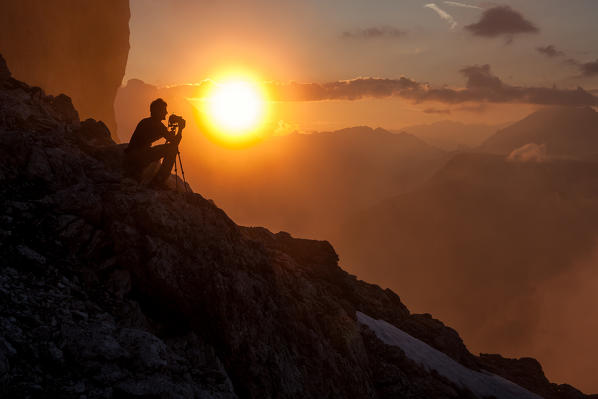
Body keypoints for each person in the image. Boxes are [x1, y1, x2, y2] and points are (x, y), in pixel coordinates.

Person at [124, 98, 185, 188]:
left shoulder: (145, 121)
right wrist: (180, 129)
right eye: (164, 110)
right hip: (138, 157)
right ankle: (158, 182)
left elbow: (164, 135)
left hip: (132, 155)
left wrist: (170, 133)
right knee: (172, 149)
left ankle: (148, 176)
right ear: (158, 111)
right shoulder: (157, 125)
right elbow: (175, 143)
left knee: (168, 148)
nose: (166, 113)